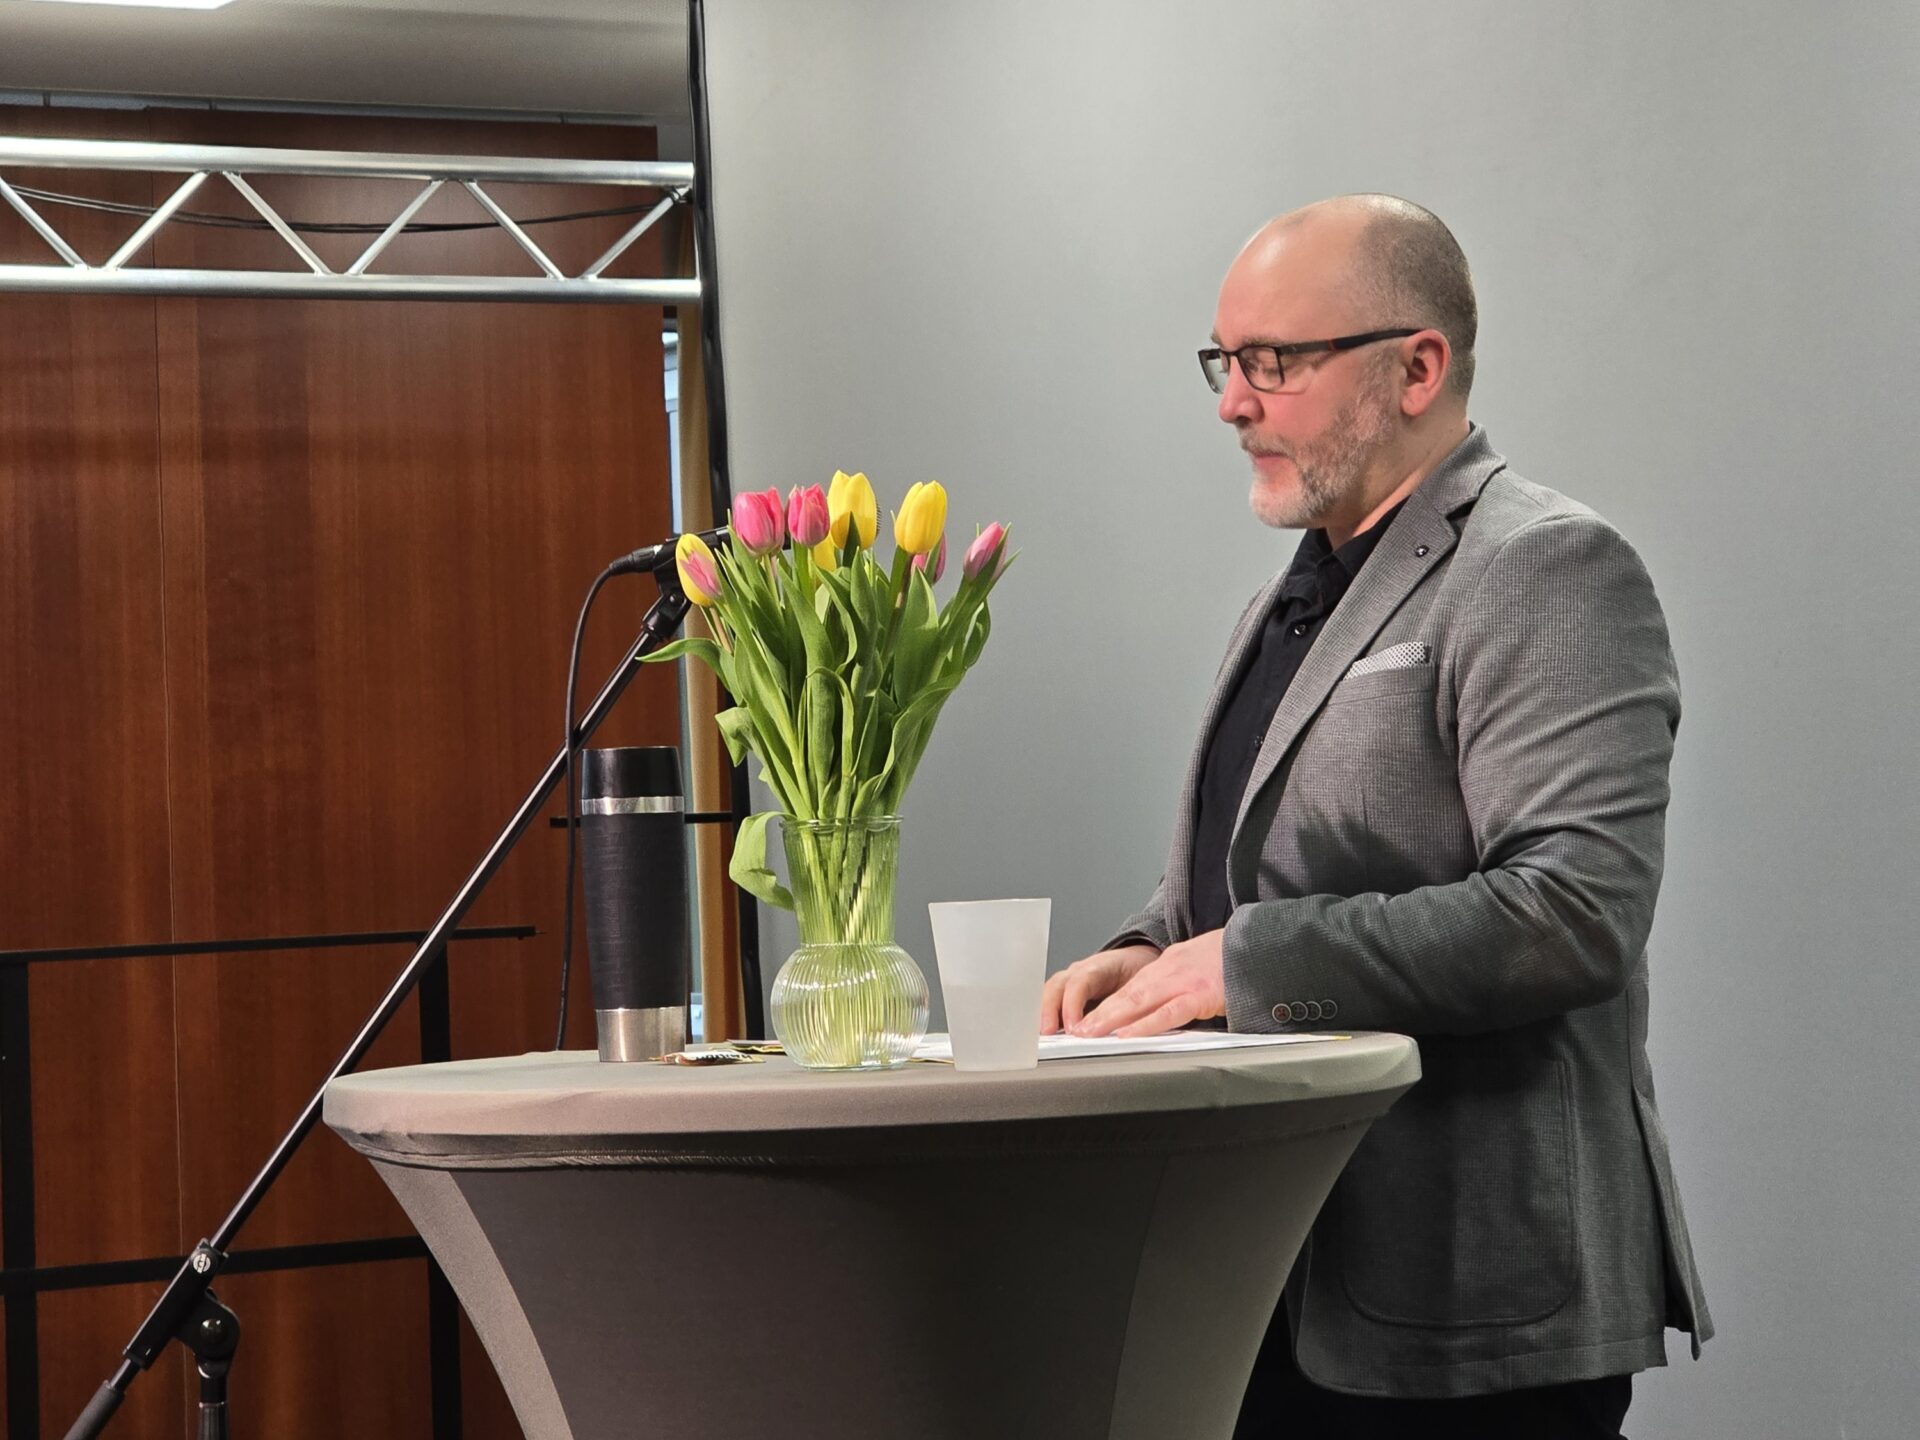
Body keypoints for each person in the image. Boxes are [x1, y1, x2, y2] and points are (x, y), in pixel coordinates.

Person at [1040, 195, 1712, 1437]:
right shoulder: (1282, 603)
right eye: (1225, 361)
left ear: (1417, 368)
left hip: (1469, 1315)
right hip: (1264, 1291)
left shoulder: (1548, 565)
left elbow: (1574, 914)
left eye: (1274, 361)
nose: (1233, 403)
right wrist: (1148, 948)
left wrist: (1239, 965)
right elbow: (1254, 871)